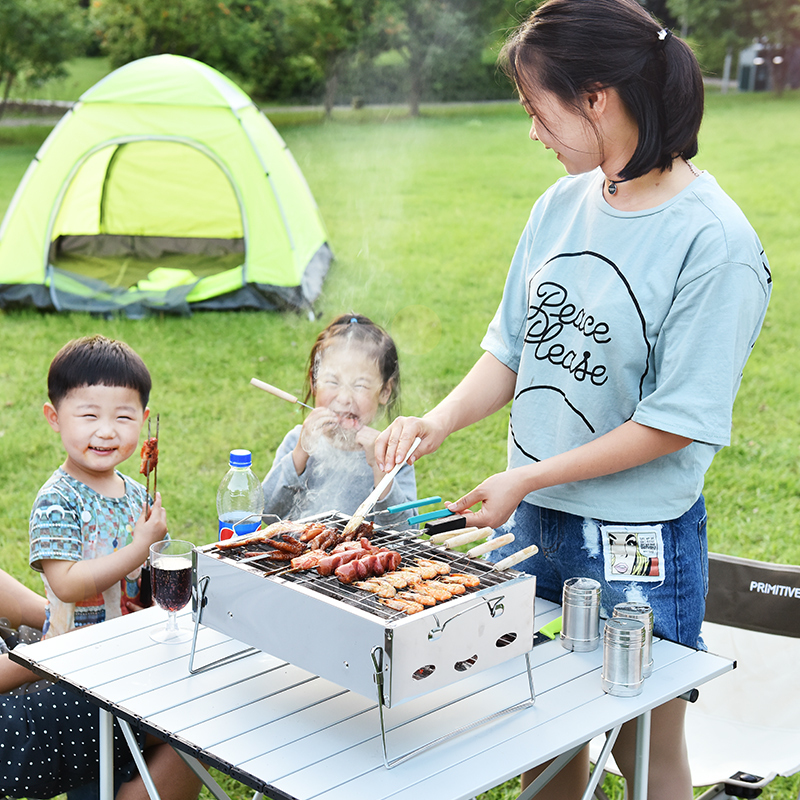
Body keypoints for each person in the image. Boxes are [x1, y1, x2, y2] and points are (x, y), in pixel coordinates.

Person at [374, 1, 772, 798]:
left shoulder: (715, 243)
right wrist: (438, 420)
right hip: (539, 523)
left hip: (637, 540)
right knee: (536, 730)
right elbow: (514, 350)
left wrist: (527, 476)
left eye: (536, 107)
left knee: (643, 738)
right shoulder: (559, 207)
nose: (531, 130)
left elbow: (672, 424)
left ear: (596, 96)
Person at [23, 334, 201, 799]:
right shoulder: (57, 500)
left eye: (123, 417)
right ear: (54, 418)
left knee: (139, 745)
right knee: (94, 773)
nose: (106, 431)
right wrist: (140, 548)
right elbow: (65, 584)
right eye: (88, 416)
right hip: (75, 669)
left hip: (128, 652)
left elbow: (143, 577)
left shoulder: (135, 492)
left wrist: (160, 556)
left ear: (144, 422)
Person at [0, 569, 201, 800]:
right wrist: (67, 646)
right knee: (188, 704)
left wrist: (63, 623)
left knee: (169, 673)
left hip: (16, 651)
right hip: (10, 722)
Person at [262, 313, 416, 525]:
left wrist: (382, 472)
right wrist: (300, 454)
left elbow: (407, 534)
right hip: (299, 557)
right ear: (314, 383)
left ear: (384, 392)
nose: (344, 398)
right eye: (332, 381)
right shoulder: (297, 441)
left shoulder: (393, 455)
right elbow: (266, 514)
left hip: (364, 558)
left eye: (360, 385)